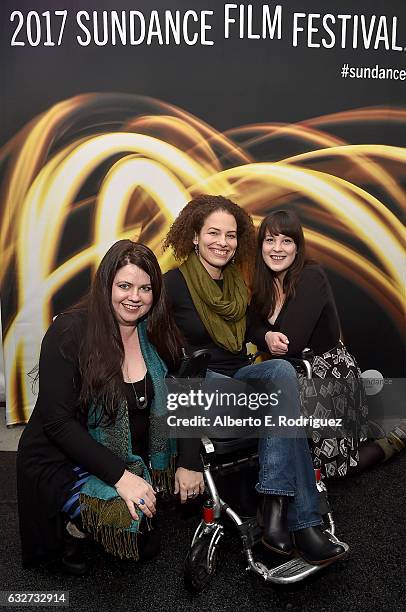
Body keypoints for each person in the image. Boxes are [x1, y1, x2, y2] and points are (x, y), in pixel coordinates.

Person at [163, 194, 347, 565]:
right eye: (213, 233)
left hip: (241, 376)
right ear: (194, 236)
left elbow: (250, 325)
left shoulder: (235, 281)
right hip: (204, 385)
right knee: (283, 409)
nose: (223, 242)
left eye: (231, 235)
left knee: (280, 371)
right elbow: (167, 364)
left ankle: (276, 505)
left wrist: (263, 337)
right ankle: (306, 525)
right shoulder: (173, 285)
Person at [17, 240, 204, 574]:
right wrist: (121, 478)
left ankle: (103, 509)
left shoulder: (156, 329)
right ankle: (73, 528)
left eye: (145, 288)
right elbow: (57, 423)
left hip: (120, 453)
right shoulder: (70, 331)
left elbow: (184, 390)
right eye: (124, 286)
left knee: (146, 542)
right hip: (62, 457)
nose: (134, 297)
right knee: (127, 523)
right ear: (106, 285)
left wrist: (189, 461)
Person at [248, 209, 372, 478]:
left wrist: (263, 336)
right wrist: (266, 336)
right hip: (290, 373)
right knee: (302, 464)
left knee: (338, 469)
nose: (277, 249)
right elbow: (250, 327)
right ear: (261, 247)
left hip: (326, 374)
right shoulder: (262, 283)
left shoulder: (311, 275)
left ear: (297, 247)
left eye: (286, 241)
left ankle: (392, 442)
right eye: (270, 240)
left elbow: (291, 343)